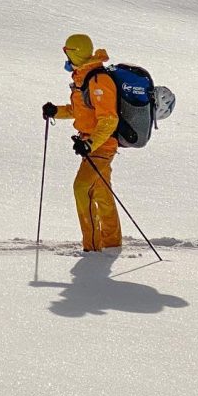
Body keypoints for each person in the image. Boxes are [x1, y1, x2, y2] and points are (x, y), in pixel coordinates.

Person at [41, 33, 123, 253]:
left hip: (102, 145)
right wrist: (55, 112)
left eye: (68, 52)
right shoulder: (82, 79)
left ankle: (92, 248)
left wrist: (90, 144)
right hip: (91, 143)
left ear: (76, 53)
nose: (66, 57)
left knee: (81, 187)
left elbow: (109, 119)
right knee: (101, 192)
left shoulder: (99, 81)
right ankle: (112, 243)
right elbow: (80, 112)